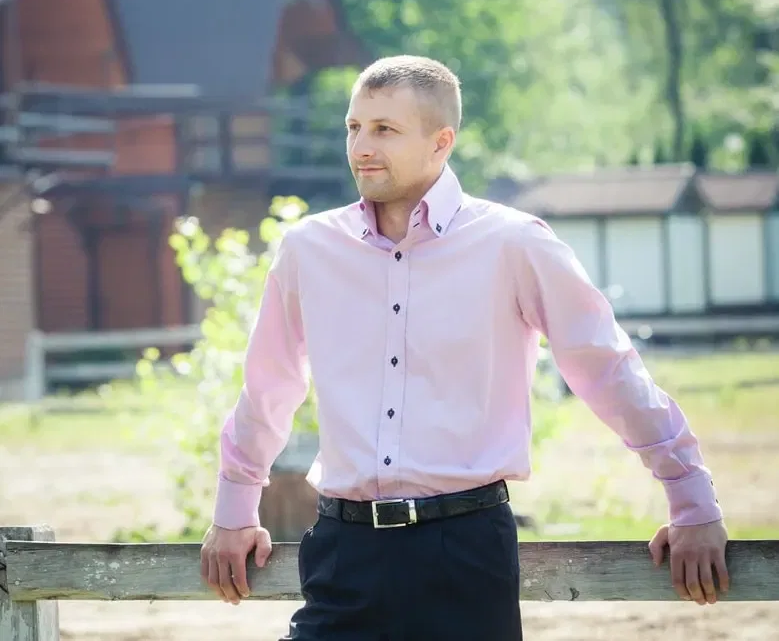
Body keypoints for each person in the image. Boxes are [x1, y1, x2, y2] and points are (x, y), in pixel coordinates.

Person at [200, 55, 729, 640]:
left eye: (384, 129)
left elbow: (608, 371)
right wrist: (234, 510)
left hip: (466, 552)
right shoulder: (308, 249)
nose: (361, 147)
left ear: (441, 141)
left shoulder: (514, 244)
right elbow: (269, 387)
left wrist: (690, 498)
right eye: (354, 127)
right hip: (342, 551)